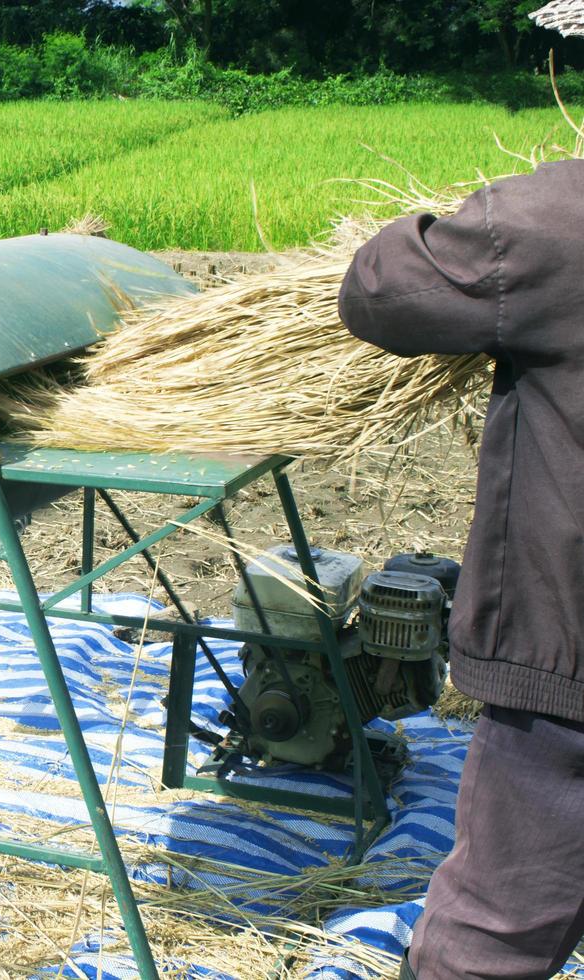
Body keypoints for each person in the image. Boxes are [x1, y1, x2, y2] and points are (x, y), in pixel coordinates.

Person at [337, 9, 584, 977]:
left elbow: (378, 287)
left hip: (563, 682)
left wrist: (463, 214)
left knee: (487, 937)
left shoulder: (558, 225)